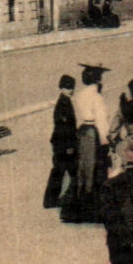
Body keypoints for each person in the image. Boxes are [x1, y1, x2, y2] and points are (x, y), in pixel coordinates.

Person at [62, 63, 110, 223]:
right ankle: (93, 208)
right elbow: (102, 121)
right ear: (97, 80)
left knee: (83, 168)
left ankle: (77, 203)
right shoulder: (97, 97)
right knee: (96, 168)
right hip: (93, 133)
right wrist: (105, 140)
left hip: (82, 131)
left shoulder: (80, 95)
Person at [42, 74, 79, 210]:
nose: (71, 90)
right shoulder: (64, 103)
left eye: (72, 88)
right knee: (67, 171)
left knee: (60, 171)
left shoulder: (63, 101)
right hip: (64, 144)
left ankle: (50, 200)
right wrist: (69, 145)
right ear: (61, 88)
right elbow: (65, 127)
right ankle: (68, 199)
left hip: (59, 143)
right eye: (68, 87)